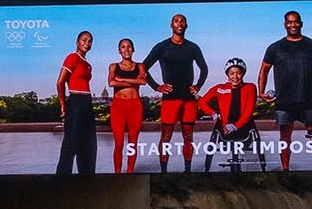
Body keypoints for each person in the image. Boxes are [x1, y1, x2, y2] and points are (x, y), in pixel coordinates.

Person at [257, 10, 312, 171]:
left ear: (301, 24)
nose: (293, 25)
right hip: (284, 100)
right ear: (285, 25)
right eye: (289, 22)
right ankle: (285, 169)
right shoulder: (275, 48)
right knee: (285, 137)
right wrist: (261, 91)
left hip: (307, 99)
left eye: (296, 21)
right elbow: (264, 70)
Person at [141, 14, 208, 172]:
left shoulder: (193, 47)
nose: (180, 23)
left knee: (188, 137)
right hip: (170, 99)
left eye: (182, 21)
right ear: (171, 25)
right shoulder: (161, 47)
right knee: (166, 136)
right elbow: (143, 67)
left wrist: (198, 85)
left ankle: (187, 170)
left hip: (188, 99)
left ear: (186, 25)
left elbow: (204, 68)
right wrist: (156, 87)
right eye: (176, 21)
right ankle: (163, 171)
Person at [197, 58, 264, 172]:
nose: (235, 77)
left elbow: (249, 112)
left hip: (244, 126)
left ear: (243, 74)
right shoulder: (220, 88)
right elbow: (202, 101)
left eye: (238, 73)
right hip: (224, 127)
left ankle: (263, 167)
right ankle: (206, 169)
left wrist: (235, 126)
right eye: (232, 73)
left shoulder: (250, 87)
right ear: (227, 74)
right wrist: (212, 114)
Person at [54, 31, 97, 175]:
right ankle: (62, 179)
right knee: (71, 143)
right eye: (84, 40)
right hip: (75, 102)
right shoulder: (72, 58)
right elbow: (60, 83)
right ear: (77, 42)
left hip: (87, 103)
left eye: (90, 41)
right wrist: (63, 105)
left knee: (89, 143)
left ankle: (87, 177)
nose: (87, 43)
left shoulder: (88, 64)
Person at [105, 38, 146, 174]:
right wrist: (133, 82)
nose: (126, 49)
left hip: (135, 106)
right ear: (119, 50)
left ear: (133, 49)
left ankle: (130, 173)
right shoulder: (113, 66)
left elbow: (143, 81)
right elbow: (111, 83)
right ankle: (117, 174)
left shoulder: (140, 66)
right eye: (123, 47)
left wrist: (122, 79)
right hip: (118, 106)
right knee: (119, 143)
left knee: (132, 143)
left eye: (129, 46)